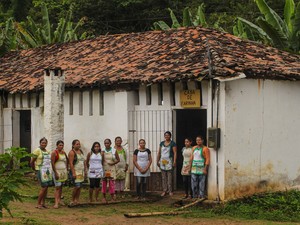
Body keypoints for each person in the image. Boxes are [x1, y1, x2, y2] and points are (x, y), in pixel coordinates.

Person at [30, 137, 52, 209]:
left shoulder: (47, 151)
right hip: (40, 170)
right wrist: (35, 169)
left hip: (46, 171)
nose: (44, 144)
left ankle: (43, 203)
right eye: (42, 143)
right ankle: (38, 203)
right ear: (40, 143)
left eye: (45, 143)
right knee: (44, 186)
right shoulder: (37, 151)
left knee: (47, 187)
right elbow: (32, 161)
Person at [157, 131, 177, 197]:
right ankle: (164, 190)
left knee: (169, 177)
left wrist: (174, 161)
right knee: (163, 177)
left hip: (169, 162)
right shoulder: (162, 143)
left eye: (168, 135)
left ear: (170, 136)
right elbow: (159, 153)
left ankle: (170, 190)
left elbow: (175, 153)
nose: (166, 136)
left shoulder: (173, 143)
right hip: (162, 162)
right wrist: (157, 160)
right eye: (165, 135)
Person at [51, 140, 68, 208]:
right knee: (57, 187)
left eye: (62, 145)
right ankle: (56, 202)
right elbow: (52, 163)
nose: (61, 146)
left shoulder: (63, 152)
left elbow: (66, 160)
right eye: (60, 145)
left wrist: (66, 168)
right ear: (57, 145)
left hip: (63, 171)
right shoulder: (54, 153)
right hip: (57, 171)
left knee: (61, 186)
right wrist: (55, 173)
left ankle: (59, 200)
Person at [68, 139, 86, 205]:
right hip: (76, 171)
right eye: (77, 144)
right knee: (77, 186)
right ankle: (72, 199)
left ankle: (77, 200)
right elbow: (71, 163)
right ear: (73, 145)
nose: (78, 145)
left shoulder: (81, 151)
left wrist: (85, 170)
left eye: (79, 144)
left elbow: (84, 161)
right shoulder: (72, 152)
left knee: (80, 186)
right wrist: (73, 173)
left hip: (81, 171)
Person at [102, 138, 120, 203]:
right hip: (105, 168)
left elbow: (118, 160)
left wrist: (113, 163)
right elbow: (101, 160)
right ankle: (104, 197)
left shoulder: (114, 150)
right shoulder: (102, 150)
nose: (106, 144)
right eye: (105, 143)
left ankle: (112, 196)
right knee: (104, 182)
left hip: (111, 168)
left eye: (108, 143)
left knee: (111, 183)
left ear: (110, 143)